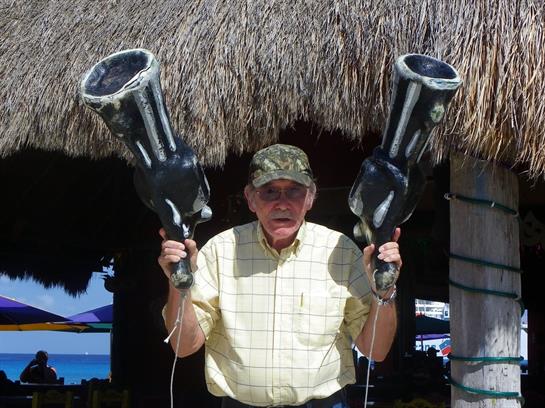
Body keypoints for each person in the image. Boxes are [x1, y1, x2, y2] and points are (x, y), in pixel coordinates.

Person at [159, 144, 402, 407]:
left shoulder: (341, 252)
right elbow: (184, 346)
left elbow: (375, 350)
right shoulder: (220, 251)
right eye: (270, 191)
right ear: (251, 199)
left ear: (310, 197)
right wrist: (179, 285)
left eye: (295, 191)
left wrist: (384, 291)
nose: (282, 203)